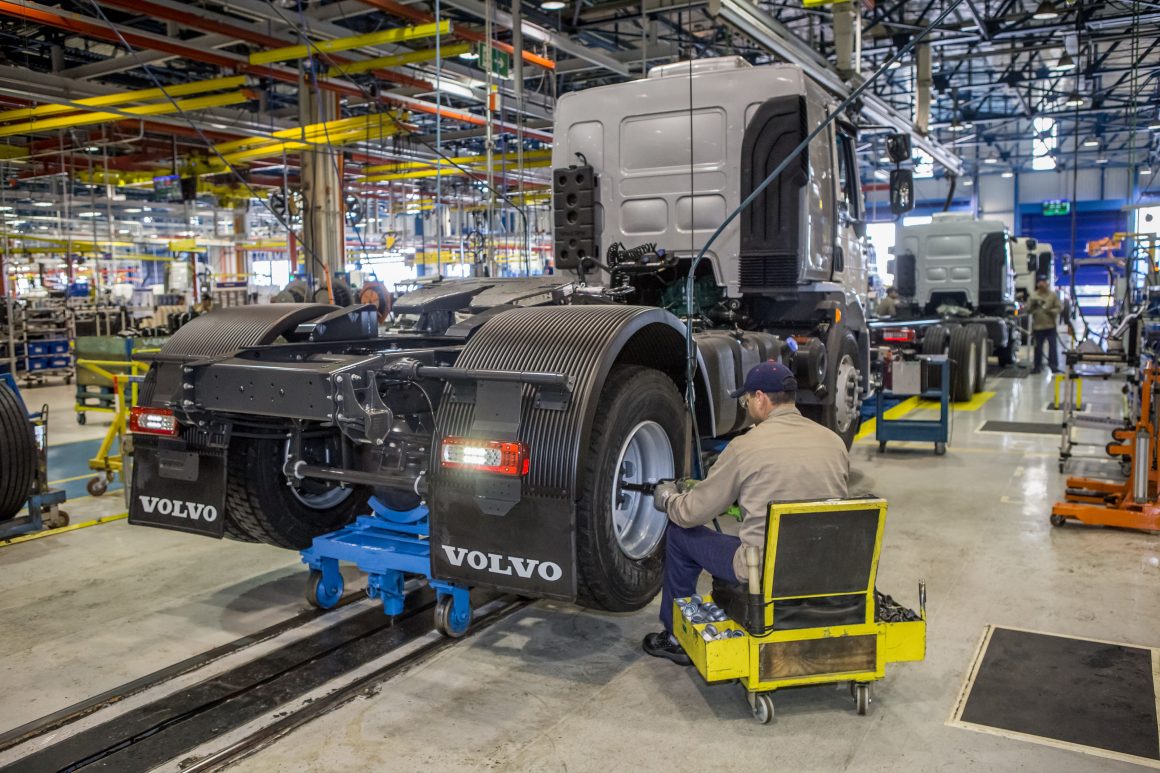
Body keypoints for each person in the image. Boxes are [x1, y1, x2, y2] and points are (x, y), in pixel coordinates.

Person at [641, 361, 850, 665]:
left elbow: (691, 513)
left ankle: (675, 636)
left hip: (764, 570)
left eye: (747, 400)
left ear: (761, 398)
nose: (748, 406)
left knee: (679, 533)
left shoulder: (746, 447)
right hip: (825, 567)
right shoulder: (834, 442)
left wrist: (669, 498)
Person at [1027, 278, 1063, 374]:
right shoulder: (1034, 296)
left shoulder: (1052, 295)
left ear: (1047, 283)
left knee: (1052, 347)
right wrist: (1032, 306)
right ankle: (1037, 366)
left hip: (1050, 326)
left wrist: (1051, 311)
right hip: (1038, 327)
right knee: (1038, 348)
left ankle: (1053, 366)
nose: (1042, 284)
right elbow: (1028, 310)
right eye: (1040, 282)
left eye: (1044, 282)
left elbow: (1059, 307)